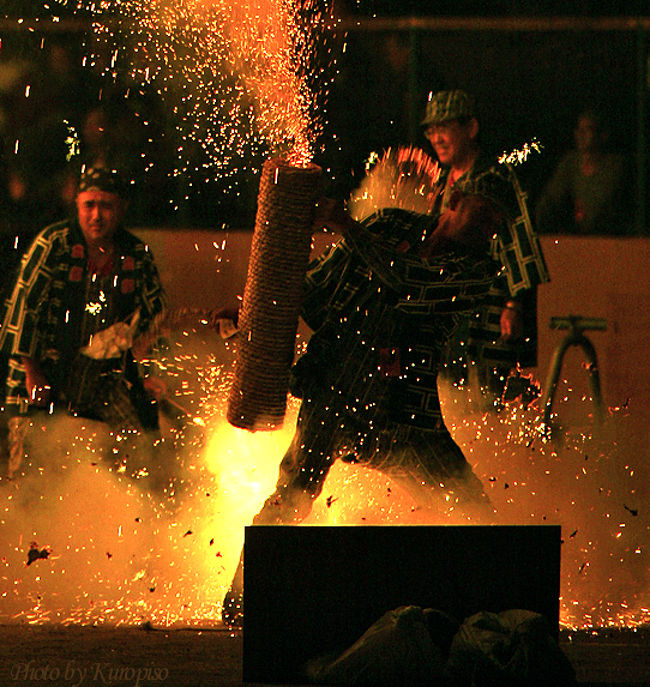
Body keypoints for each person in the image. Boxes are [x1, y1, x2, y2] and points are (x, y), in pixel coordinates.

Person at [221, 187, 510, 627]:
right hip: (336, 389)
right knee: (290, 498)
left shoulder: (476, 272)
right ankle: (240, 601)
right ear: (451, 204)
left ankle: (502, 605)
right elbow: (316, 291)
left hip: (406, 417)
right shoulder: (389, 225)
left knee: (468, 505)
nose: (485, 230)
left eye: (494, 226)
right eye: (481, 216)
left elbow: (409, 281)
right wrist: (256, 315)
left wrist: (347, 228)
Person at [0, 165, 167, 479]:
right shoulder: (54, 244)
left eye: (106, 206)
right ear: (77, 205)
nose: (97, 215)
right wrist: (32, 373)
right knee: (31, 468)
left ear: (122, 208)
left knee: (142, 449)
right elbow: (25, 310)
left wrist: (148, 373)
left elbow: (154, 318)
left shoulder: (136, 254)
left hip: (105, 376)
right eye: (89, 205)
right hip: (44, 370)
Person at [421, 89, 549, 408]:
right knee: (452, 402)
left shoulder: (497, 178)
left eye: (445, 127)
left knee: (493, 401)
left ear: (471, 129)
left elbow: (520, 243)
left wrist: (513, 305)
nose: (436, 137)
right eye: (431, 130)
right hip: (449, 317)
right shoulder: (439, 187)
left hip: (491, 313)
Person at [535, 108, 630, 235]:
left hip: (609, 238)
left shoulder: (614, 166)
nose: (580, 134)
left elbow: (602, 206)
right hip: (579, 237)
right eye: (579, 129)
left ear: (602, 135)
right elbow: (551, 199)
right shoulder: (570, 163)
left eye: (588, 129)